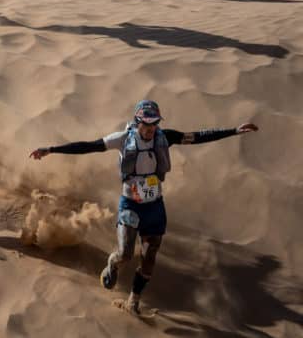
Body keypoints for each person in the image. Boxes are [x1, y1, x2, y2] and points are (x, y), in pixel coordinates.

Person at [29, 100, 259, 314]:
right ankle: (112, 264)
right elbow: (89, 146)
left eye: (155, 123)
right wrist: (51, 149)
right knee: (125, 254)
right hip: (131, 205)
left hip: (155, 208)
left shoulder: (164, 137)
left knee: (149, 259)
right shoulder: (121, 139)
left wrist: (234, 131)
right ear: (137, 122)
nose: (151, 129)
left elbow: (197, 136)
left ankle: (133, 301)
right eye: (147, 124)